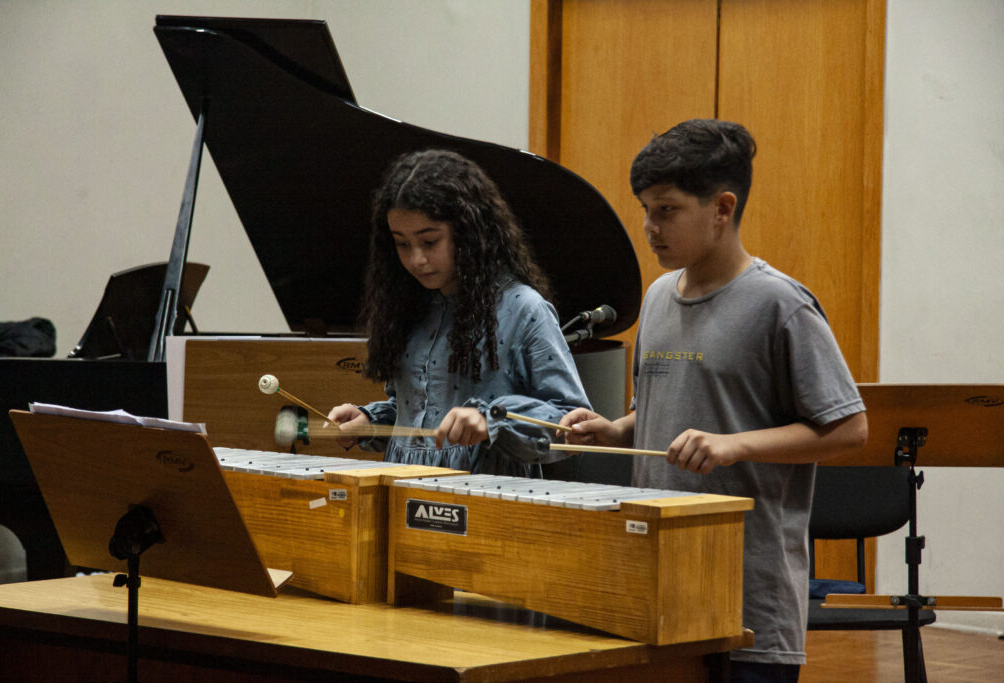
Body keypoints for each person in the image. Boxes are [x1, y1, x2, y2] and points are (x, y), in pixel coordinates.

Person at [560, 119, 868, 682]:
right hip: (658, 583)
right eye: (646, 210)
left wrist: (733, 446)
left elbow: (848, 429)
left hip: (748, 597)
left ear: (722, 208)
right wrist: (616, 429)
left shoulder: (780, 305)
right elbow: (669, 411)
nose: (650, 227)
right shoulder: (655, 298)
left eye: (666, 210)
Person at [327, 148, 590, 476]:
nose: (416, 259)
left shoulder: (524, 309)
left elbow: (573, 422)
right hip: (402, 483)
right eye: (402, 244)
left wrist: (493, 419)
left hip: (486, 493)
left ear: (467, 233)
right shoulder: (408, 306)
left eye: (430, 242)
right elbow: (419, 412)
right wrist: (371, 420)